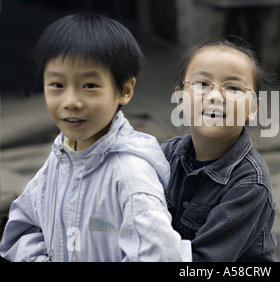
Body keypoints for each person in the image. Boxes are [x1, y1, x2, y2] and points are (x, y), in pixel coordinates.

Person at [0, 13, 191, 262]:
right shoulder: (61, 156)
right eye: (57, 85)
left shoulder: (130, 172)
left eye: (89, 85)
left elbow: (162, 255)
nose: (71, 102)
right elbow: (22, 229)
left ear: (125, 90)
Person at [162, 36, 277, 261]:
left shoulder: (249, 183)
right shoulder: (166, 155)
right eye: (202, 84)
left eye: (233, 88)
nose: (215, 96)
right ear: (180, 99)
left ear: (253, 108)